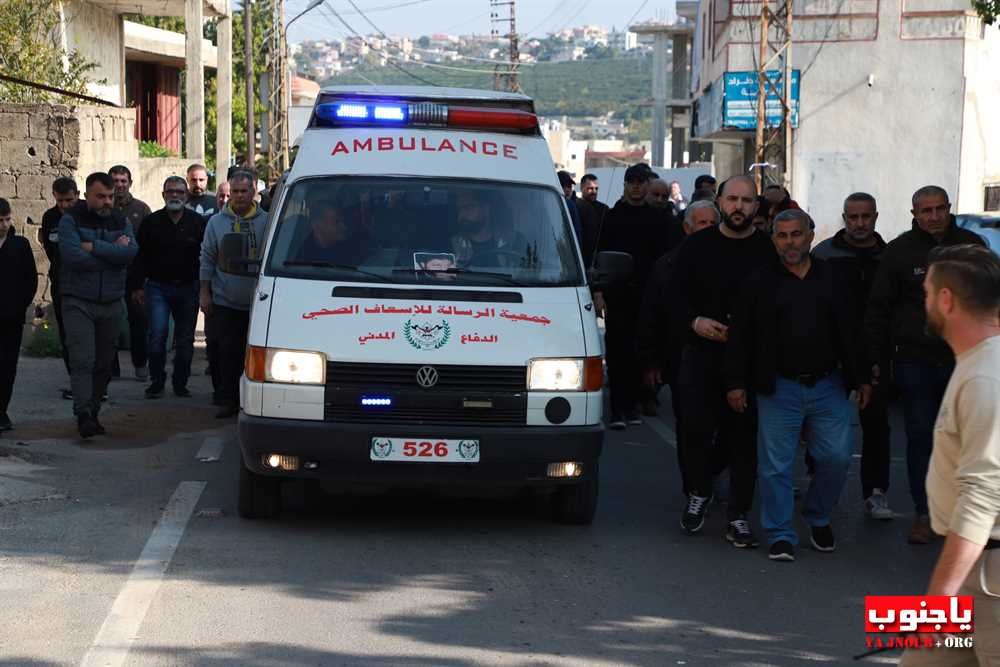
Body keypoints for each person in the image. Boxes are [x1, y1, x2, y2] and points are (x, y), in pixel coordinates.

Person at [726, 209, 871, 562]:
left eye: (796, 234)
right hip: (778, 387)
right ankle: (779, 533)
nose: (790, 242)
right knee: (775, 466)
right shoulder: (758, 282)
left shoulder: (834, 278)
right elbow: (741, 337)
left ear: (810, 235)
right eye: (782, 235)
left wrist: (863, 377)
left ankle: (818, 516)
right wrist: (736, 382)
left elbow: (853, 331)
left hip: (829, 384)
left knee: (836, 458)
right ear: (773, 239)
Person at [864, 185, 987, 545]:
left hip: (963, 360)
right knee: (921, 437)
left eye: (939, 209)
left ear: (949, 209)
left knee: (968, 439)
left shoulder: (971, 246)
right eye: (925, 210)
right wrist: (874, 358)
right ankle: (926, 513)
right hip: (914, 360)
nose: (933, 216)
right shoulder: (899, 252)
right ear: (914, 214)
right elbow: (879, 308)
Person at [898, 244, 1000, 666]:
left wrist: (935, 603)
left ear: (946, 299)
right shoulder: (979, 362)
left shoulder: (986, 376)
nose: (924, 302)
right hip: (975, 569)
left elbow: (984, 493)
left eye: (926, 292)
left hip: (989, 577)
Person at [667, 175, 775, 544]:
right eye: (732, 199)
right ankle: (698, 492)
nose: (739, 207)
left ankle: (739, 514)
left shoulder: (767, 250)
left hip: (748, 361)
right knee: (695, 429)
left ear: (756, 207)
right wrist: (695, 323)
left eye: (747, 200)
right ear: (719, 202)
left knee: (743, 439)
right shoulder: (696, 247)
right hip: (701, 354)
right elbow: (673, 299)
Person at [812, 192, 893, 520]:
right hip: (829, 353)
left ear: (876, 217)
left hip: (875, 351)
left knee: (876, 423)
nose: (860, 224)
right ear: (844, 218)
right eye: (853, 217)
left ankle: (875, 492)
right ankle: (820, 484)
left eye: (866, 217)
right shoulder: (824, 255)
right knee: (820, 423)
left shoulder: (889, 256)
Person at [636, 201, 721, 480]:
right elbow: (652, 314)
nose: (707, 230)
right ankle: (695, 486)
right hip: (680, 358)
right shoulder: (667, 264)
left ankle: (711, 473)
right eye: (701, 223)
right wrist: (650, 361)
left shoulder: (728, 262)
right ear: (687, 227)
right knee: (690, 426)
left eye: (712, 223)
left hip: (723, 360)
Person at [594, 163, 676, 428]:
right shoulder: (611, 217)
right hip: (617, 295)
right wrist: (598, 292)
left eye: (642, 182)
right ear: (625, 185)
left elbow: (665, 258)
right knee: (618, 353)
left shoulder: (657, 219)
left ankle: (632, 407)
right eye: (633, 181)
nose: (637, 187)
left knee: (640, 353)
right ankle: (619, 409)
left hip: (648, 296)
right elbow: (597, 256)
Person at [58, 173, 138, 438]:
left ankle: (93, 411)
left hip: (111, 302)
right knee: (83, 360)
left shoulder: (121, 221)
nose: (107, 202)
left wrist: (93, 247)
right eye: (100, 196)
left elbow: (129, 253)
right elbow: (72, 257)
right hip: (78, 301)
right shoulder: (71, 220)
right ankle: (83, 414)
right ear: (87, 195)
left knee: (104, 363)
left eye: (110, 197)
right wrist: (111, 255)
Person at [130, 176, 205, 400]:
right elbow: (140, 256)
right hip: (157, 288)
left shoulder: (198, 223)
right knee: (157, 336)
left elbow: (206, 258)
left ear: (186, 195)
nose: (175, 195)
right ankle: (157, 382)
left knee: (185, 339)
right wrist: (137, 287)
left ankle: (180, 384)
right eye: (170, 191)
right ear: (163, 195)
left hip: (188, 289)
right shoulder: (151, 222)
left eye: (180, 192)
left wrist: (204, 289)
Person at [200, 170, 268, 419]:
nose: (239, 196)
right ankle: (227, 399)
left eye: (244, 191)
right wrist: (204, 293)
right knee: (226, 352)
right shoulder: (216, 223)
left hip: (257, 303)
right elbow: (206, 257)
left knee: (252, 354)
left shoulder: (267, 222)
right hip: (225, 300)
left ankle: (249, 400)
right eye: (235, 191)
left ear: (254, 192)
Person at [109, 165, 152, 382]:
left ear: (130, 183)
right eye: (115, 181)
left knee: (139, 322)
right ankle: (111, 367)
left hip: (135, 277)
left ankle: (140, 363)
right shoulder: (103, 208)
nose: (119, 185)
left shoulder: (141, 210)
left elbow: (149, 246)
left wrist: (143, 281)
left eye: (123, 181)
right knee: (109, 323)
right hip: (109, 276)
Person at [0, 199, 39, 431]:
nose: (4, 225)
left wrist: (18, 306)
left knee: (6, 367)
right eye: (0, 220)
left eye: (7, 219)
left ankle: (2, 411)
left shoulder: (20, 245)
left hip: (11, 319)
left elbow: (30, 280)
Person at [39, 177, 80, 381]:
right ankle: (74, 378)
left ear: (78, 196)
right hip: (61, 282)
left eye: (69, 201)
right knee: (66, 333)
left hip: (86, 283)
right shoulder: (50, 217)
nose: (64, 205)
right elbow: (50, 248)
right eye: (60, 201)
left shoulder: (86, 213)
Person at [450, 190, 526, 268]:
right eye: (459, 209)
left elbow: (527, 275)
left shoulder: (515, 240)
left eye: (468, 208)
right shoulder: (452, 245)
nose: (461, 215)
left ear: (486, 209)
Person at [295, 199, 373, 265]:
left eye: (342, 221)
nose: (344, 227)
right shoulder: (302, 254)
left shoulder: (352, 249)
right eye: (336, 222)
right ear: (317, 225)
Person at [576, 173, 608, 267]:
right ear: (582, 188)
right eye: (590, 188)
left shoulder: (604, 209)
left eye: (596, 188)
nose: (594, 191)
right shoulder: (576, 207)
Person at [557, 170, 583, 245]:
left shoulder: (574, 204)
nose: (568, 189)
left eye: (570, 186)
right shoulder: (570, 205)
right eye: (565, 185)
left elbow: (577, 232)